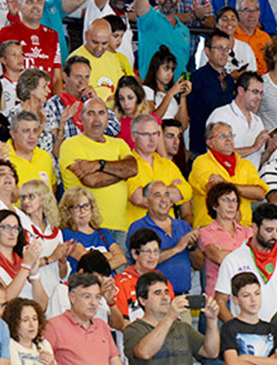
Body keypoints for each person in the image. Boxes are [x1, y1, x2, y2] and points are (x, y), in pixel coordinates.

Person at [60, 98, 137, 249]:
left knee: (119, 272)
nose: (96, 119)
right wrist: (121, 172)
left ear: (108, 117)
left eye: (101, 113)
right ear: (81, 118)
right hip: (84, 228)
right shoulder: (70, 145)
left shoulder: (119, 144)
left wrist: (99, 164)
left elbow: (133, 168)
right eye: (90, 113)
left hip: (119, 227)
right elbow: (91, 181)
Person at [215, 202, 277, 324]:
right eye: (269, 230)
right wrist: (235, 328)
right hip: (245, 332)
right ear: (254, 228)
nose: (274, 236)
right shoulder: (233, 260)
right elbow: (220, 301)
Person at [189, 121, 269, 229]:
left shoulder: (245, 164)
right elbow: (213, 188)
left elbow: (260, 193)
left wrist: (227, 184)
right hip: (211, 228)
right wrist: (244, 190)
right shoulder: (201, 162)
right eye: (222, 136)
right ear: (210, 142)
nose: (228, 139)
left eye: (230, 135)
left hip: (243, 229)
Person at [128, 181, 197, 297]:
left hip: (182, 298)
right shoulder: (138, 227)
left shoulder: (183, 226)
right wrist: (177, 248)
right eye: (157, 196)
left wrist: (192, 248)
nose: (164, 200)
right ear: (146, 201)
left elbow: (199, 265)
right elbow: (141, 261)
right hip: (151, 299)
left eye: (167, 195)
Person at [0, 0, 62, 92]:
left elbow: (57, 78)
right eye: (29, 2)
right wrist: (3, 86)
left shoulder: (52, 35)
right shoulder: (5, 33)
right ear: (20, 6)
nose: (35, 6)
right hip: (15, 102)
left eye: (39, 2)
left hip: (44, 102)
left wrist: (56, 102)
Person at [125, 114, 192, 226]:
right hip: (139, 234)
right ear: (133, 137)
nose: (152, 139)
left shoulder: (167, 164)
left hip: (168, 233)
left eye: (155, 134)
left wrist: (152, 194)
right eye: (146, 134)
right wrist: (170, 192)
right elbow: (138, 198)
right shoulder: (127, 163)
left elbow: (187, 192)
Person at [0, 210, 48, 308]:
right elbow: (6, 299)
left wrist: (34, 275)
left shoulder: (23, 261)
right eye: (6, 227)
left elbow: (42, 306)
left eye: (16, 228)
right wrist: (26, 266)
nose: (12, 232)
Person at [206, 72, 272, 168]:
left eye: (261, 93)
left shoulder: (258, 121)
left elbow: (257, 162)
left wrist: (269, 151)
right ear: (241, 91)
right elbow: (218, 154)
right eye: (255, 92)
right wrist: (253, 148)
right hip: (226, 180)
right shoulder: (221, 115)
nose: (259, 98)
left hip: (252, 180)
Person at [187, 31, 236, 157]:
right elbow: (190, 113)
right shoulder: (196, 78)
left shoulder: (229, 80)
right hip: (202, 146)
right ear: (207, 51)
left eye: (227, 49)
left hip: (225, 144)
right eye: (219, 48)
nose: (224, 53)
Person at [112, 229, 176, 323]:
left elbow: (172, 315)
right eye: (147, 252)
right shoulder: (120, 282)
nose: (153, 257)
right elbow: (119, 322)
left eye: (156, 251)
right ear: (134, 253)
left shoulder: (163, 281)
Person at [59, 187, 126, 273]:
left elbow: (122, 259)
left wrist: (98, 266)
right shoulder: (67, 234)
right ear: (68, 212)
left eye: (86, 206)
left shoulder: (103, 232)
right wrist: (109, 256)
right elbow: (88, 262)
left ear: (92, 208)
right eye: (76, 207)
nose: (82, 211)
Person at [135, 0, 191, 80]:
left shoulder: (184, 30)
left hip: (177, 90)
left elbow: (184, 63)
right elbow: (140, 7)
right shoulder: (150, 20)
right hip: (152, 89)